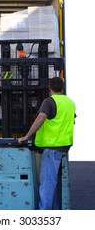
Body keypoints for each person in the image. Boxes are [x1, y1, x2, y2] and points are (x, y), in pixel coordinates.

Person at [18, 77, 76, 210]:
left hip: (52, 148)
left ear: (49, 88)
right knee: (54, 184)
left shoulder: (49, 102)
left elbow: (40, 119)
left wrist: (27, 136)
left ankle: (44, 215)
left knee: (47, 184)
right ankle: (55, 212)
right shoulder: (70, 103)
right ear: (62, 87)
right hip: (64, 147)